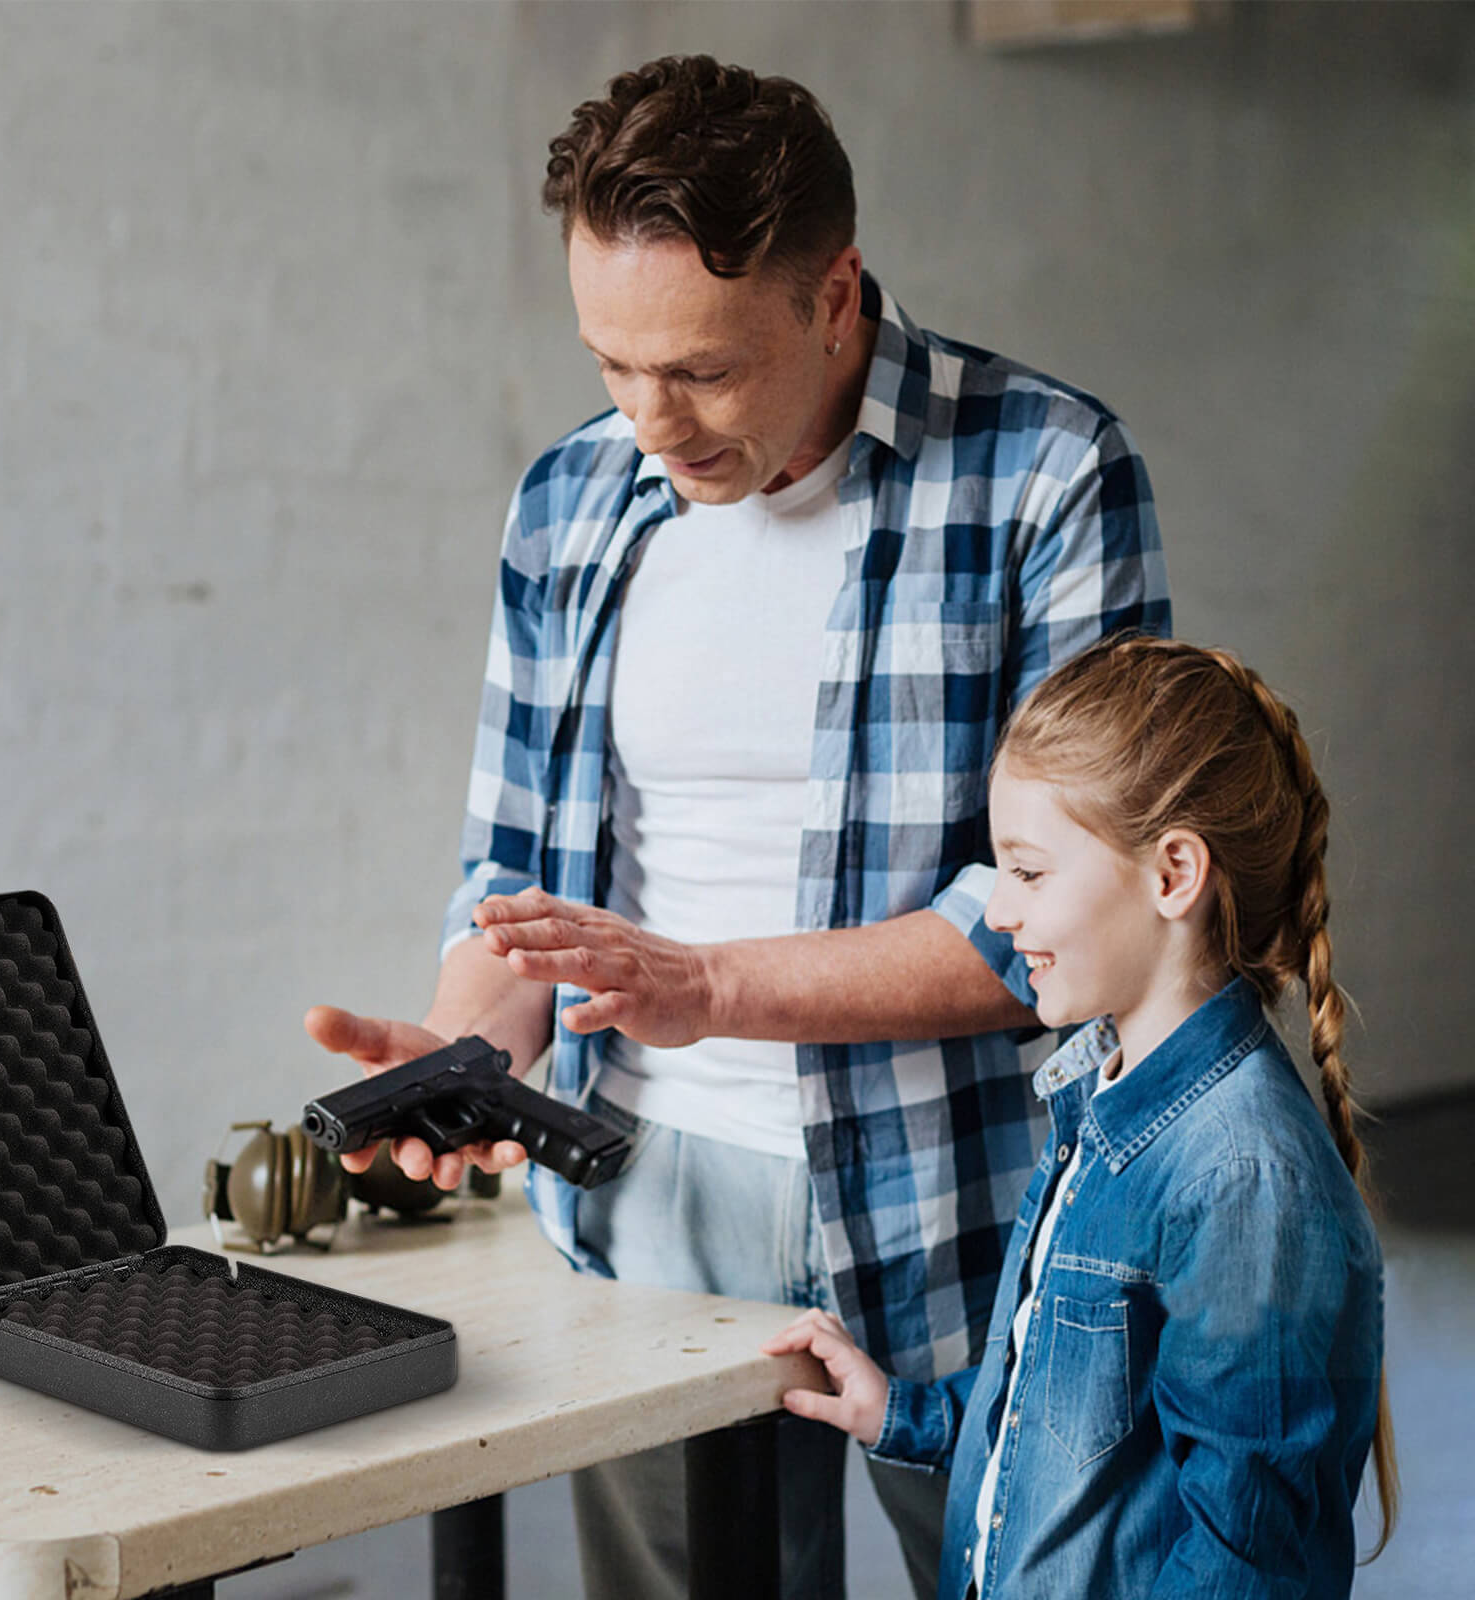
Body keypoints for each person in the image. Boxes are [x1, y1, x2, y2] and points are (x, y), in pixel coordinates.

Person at [305, 55, 1169, 1600]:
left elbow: (1080, 922)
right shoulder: (570, 501)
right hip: (644, 1192)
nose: (650, 420)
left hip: (958, 1193)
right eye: (612, 362)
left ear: (834, 297)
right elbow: (517, 871)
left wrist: (711, 989)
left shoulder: (1046, 474)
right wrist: (467, 1053)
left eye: (699, 370)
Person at [765, 634, 1398, 1599]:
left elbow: (1249, 1564)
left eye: (1027, 872)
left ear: (1174, 874)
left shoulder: (1242, 1177)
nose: (1000, 914)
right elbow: (1062, 1397)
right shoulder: (1100, 1092)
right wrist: (903, 1414)